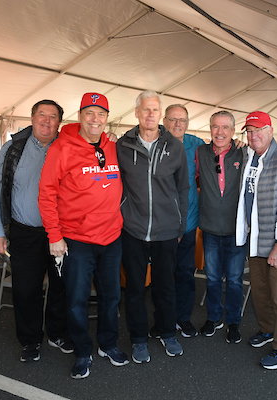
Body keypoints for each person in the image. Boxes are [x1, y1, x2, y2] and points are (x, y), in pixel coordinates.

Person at [38, 92, 127, 379]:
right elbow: (47, 193)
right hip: (76, 239)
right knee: (76, 300)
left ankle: (108, 344)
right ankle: (82, 350)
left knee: (111, 296)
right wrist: (54, 235)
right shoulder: (61, 148)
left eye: (101, 114)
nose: (95, 119)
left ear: (106, 118)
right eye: (89, 113)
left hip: (112, 237)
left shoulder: (112, 145)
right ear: (80, 116)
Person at [0, 99, 71, 363]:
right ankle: (30, 339)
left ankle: (57, 333)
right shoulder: (13, 149)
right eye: (41, 115)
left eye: (53, 116)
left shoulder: (68, 148)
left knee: (61, 286)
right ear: (32, 118)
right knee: (25, 289)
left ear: (60, 123)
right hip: (25, 232)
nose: (46, 120)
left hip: (63, 234)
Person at [117, 90, 189, 363]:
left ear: (160, 115)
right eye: (145, 110)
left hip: (166, 231)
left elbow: (183, 187)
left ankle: (167, 332)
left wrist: (180, 225)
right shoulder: (122, 145)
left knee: (165, 287)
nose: (150, 115)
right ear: (136, 113)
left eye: (154, 110)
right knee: (134, 288)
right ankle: (138, 339)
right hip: (133, 229)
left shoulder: (175, 146)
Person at [236, 111, 277, 370]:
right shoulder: (252, 157)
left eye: (258, 130)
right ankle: (267, 330)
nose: (253, 136)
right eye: (249, 132)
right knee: (260, 292)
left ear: (270, 131)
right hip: (257, 240)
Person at [197, 111, 247, 343]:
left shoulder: (243, 152)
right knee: (214, 278)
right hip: (209, 229)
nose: (220, 132)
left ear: (233, 131)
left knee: (235, 280)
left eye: (225, 127)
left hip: (235, 230)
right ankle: (214, 317)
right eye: (216, 127)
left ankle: (233, 321)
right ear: (210, 128)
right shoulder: (200, 152)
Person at [155, 104, 204, 339]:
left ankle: (183, 318)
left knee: (185, 273)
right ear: (164, 120)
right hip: (161, 225)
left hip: (187, 222)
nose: (177, 124)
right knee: (162, 276)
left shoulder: (197, 145)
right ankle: (162, 320)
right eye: (173, 120)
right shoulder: (153, 142)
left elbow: (223, 154)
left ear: (187, 122)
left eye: (182, 120)